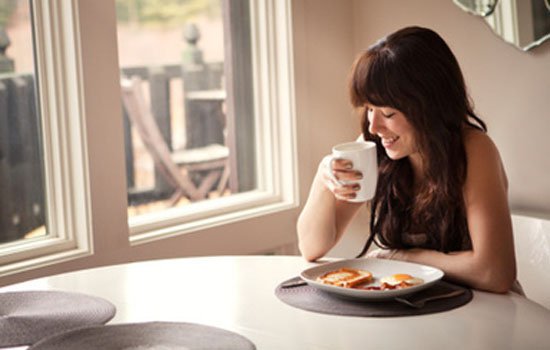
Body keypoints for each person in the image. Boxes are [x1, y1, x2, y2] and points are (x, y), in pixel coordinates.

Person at [296, 26, 519, 294]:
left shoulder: (474, 150)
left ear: (429, 106)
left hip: (487, 313)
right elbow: (311, 247)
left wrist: (399, 257)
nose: (375, 126)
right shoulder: (374, 146)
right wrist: (324, 178)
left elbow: (495, 273)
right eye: (369, 109)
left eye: (388, 113)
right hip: (417, 311)